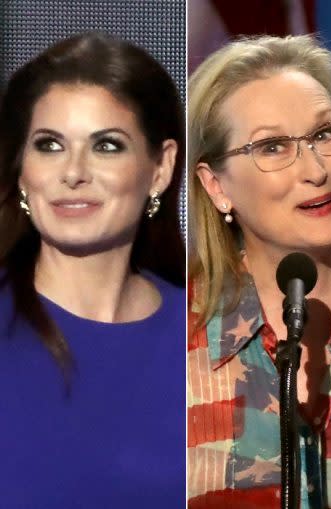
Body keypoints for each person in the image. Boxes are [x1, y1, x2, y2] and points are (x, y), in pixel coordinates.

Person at [0, 33, 185, 507]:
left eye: (106, 145)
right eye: (49, 145)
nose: (73, 172)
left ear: (160, 169)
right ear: (22, 169)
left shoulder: (217, 337)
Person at [187, 35, 331, 509]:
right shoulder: (172, 346)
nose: (315, 170)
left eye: (325, 134)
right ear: (216, 186)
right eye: (272, 147)